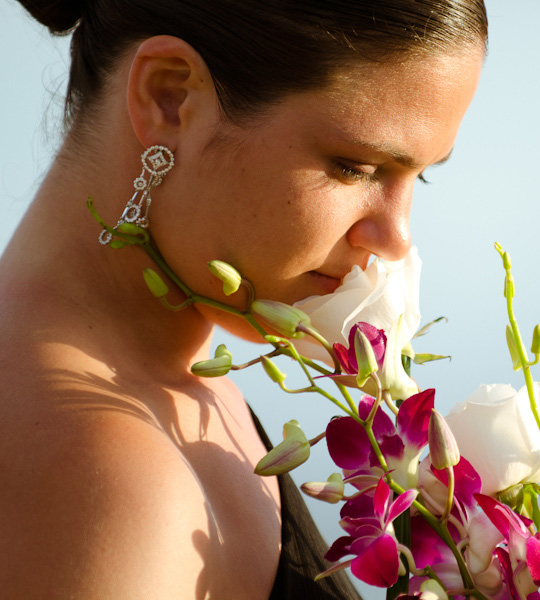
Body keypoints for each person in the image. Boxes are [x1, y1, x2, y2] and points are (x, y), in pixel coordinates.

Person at [0, 0, 487, 598]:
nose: (396, 240)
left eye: (422, 176)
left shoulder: (174, 398)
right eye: (356, 167)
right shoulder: (108, 479)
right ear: (169, 97)